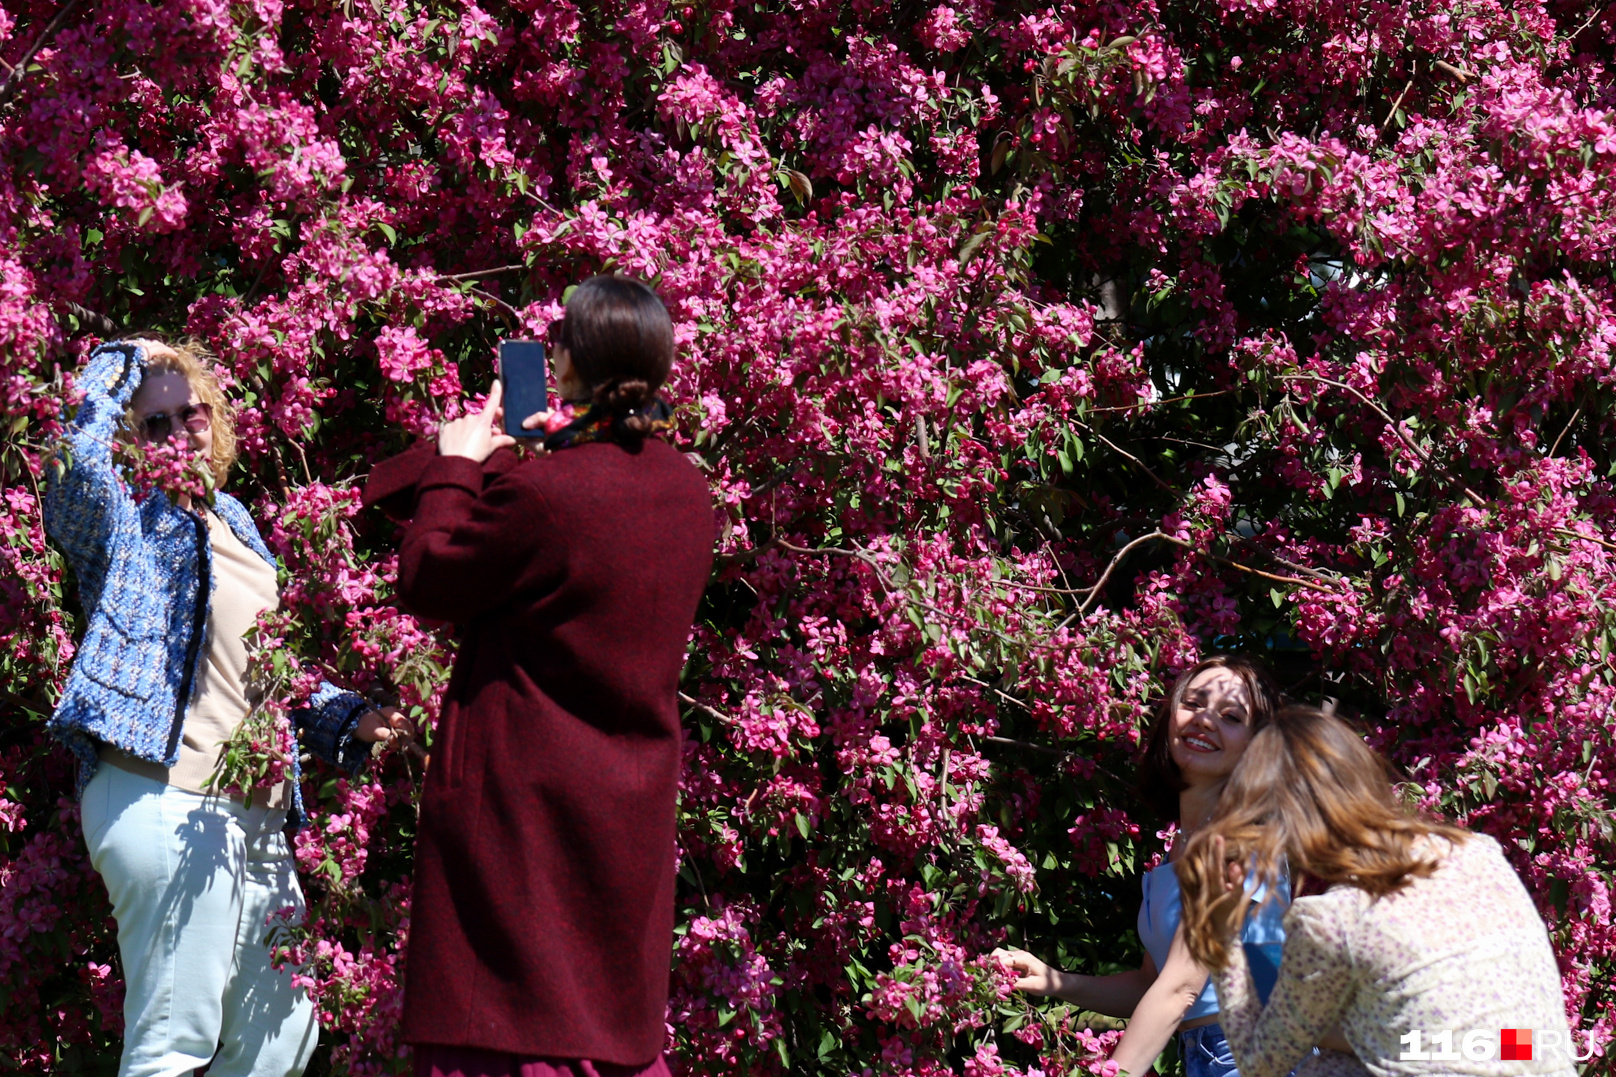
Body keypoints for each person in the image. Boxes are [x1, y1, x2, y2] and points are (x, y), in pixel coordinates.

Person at [362, 275, 715, 1077]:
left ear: (563, 361)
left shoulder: (543, 493)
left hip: (521, 817)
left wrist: (456, 466)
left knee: (510, 1030)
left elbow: (428, 575)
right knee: (597, 1034)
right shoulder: (688, 493)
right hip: (625, 810)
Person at [43, 338, 409, 1077]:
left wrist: (348, 714)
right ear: (129, 438)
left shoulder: (235, 520)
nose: (181, 432)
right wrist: (118, 362)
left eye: (193, 412)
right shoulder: (122, 520)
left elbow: (263, 665)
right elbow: (73, 461)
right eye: (156, 423)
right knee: (172, 1048)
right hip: (165, 795)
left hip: (254, 814)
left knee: (283, 1040)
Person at [1177, 706, 1577, 1077]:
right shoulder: (1478, 852)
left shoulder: (1332, 920)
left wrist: (1221, 933)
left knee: (1322, 1067)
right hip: (1539, 1056)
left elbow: (1260, 1063)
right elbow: (1462, 1038)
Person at [994, 655, 1294, 1077]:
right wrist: (1056, 980)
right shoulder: (1177, 851)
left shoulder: (1239, 842)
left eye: (1230, 716)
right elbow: (1150, 983)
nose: (1204, 720)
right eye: (1193, 703)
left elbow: (1180, 990)